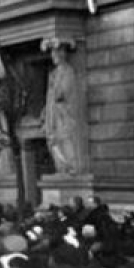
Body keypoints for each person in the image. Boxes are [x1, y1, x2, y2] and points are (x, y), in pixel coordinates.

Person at [42, 39, 79, 174]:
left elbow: (62, 93)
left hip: (63, 115)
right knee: (53, 142)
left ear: (62, 54)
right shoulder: (53, 74)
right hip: (53, 115)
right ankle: (61, 168)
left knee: (65, 141)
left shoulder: (68, 71)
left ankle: (70, 167)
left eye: (55, 53)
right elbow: (50, 97)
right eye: (52, 53)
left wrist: (55, 87)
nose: (52, 56)